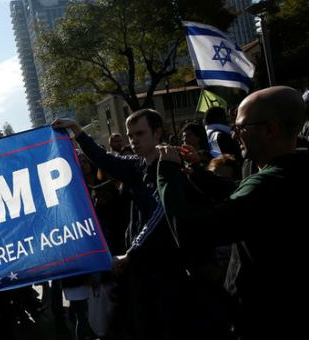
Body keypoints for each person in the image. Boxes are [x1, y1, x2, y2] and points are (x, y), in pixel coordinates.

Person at [156, 86, 309, 339]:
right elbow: (239, 190)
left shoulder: (267, 185)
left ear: (270, 129)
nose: (234, 134)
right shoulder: (294, 167)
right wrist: (198, 172)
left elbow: (191, 233)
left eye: (239, 127)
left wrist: (167, 175)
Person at [53, 110, 195, 340]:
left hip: (165, 269)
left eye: (140, 133)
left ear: (158, 132)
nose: (133, 140)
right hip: (137, 271)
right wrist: (78, 131)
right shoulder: (136, 166)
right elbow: (105, 159)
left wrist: (130, 253)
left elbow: (161, 215)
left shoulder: (171, 168)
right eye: (130, 136)